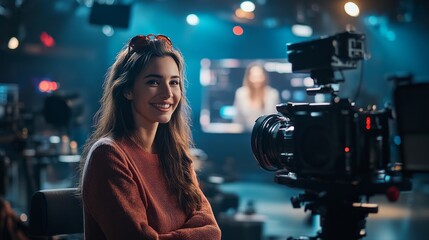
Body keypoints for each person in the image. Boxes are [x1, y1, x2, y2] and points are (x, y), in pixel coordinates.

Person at [79, 34, 221, 239]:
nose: (167, 93)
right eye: (153, 82)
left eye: (174, 82)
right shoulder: (108, 155)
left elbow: (212, 231)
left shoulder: (176, 154)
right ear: (128, 90)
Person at [233, 62, 280, 131]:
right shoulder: (241, 93)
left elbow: (275, 119)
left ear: (264, 77)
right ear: (248, 77)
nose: (256, 79)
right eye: (254, 76)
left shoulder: (272, 94)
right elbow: (237, 120)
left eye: (259, 76)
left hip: (266, 134)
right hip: (244, 134)